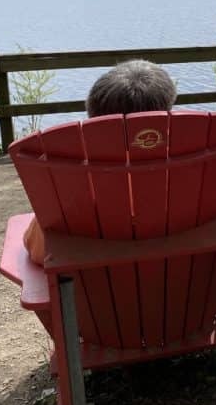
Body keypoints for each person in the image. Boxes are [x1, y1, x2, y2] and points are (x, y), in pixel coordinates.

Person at [22, 59, 176, 265]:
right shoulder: (194, 176)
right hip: (183, 285)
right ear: (166, 115)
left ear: (93, 116)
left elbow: (37, 250)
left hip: (94, 293)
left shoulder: (70, 184)